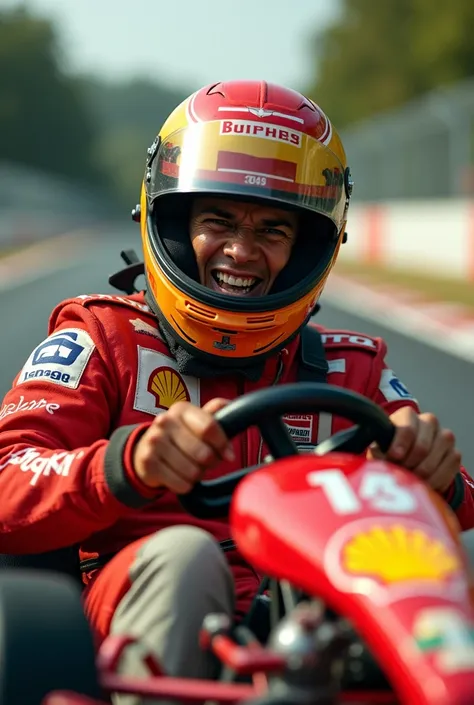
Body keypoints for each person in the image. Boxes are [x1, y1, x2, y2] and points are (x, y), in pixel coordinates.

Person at [0, 80, 472, 703]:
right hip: (131, 627)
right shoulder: (101, 339)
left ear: (309, 249)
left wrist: (433, 476)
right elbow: (9, 477)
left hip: (306, 637)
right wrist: (124, 464)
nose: (242, 252)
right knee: (186, 557)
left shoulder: (350, 370)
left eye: (272, 230)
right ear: (168, 223)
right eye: (218, 220)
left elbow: (456, 510)